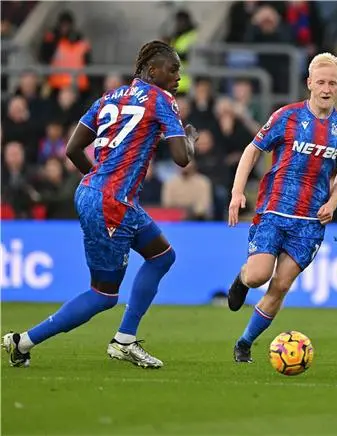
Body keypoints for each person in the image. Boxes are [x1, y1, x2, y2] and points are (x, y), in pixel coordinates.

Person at [3, 41, 197, 368]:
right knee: (103, 294)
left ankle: (124, 339)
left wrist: (98, 179)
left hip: (100, 193)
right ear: (152, 71)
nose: (178, 76)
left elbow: (72, 148)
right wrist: (190, 138)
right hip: (112, 202)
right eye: (173, 69)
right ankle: (23, 341)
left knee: (163, 256)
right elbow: (181, 158)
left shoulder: (109, 97)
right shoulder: (162, 99)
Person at [225, 53, 337, 363]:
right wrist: (237, 192)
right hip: (274, 211)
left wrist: (332, 202)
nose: (326, 88)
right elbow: (253, 150)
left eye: (332, 83)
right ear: (310, 83)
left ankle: (244, 343)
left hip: (310, 222)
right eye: (321, 82)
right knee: (259, 276)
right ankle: (241, 279)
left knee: (281, 285)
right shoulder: (287, 117)